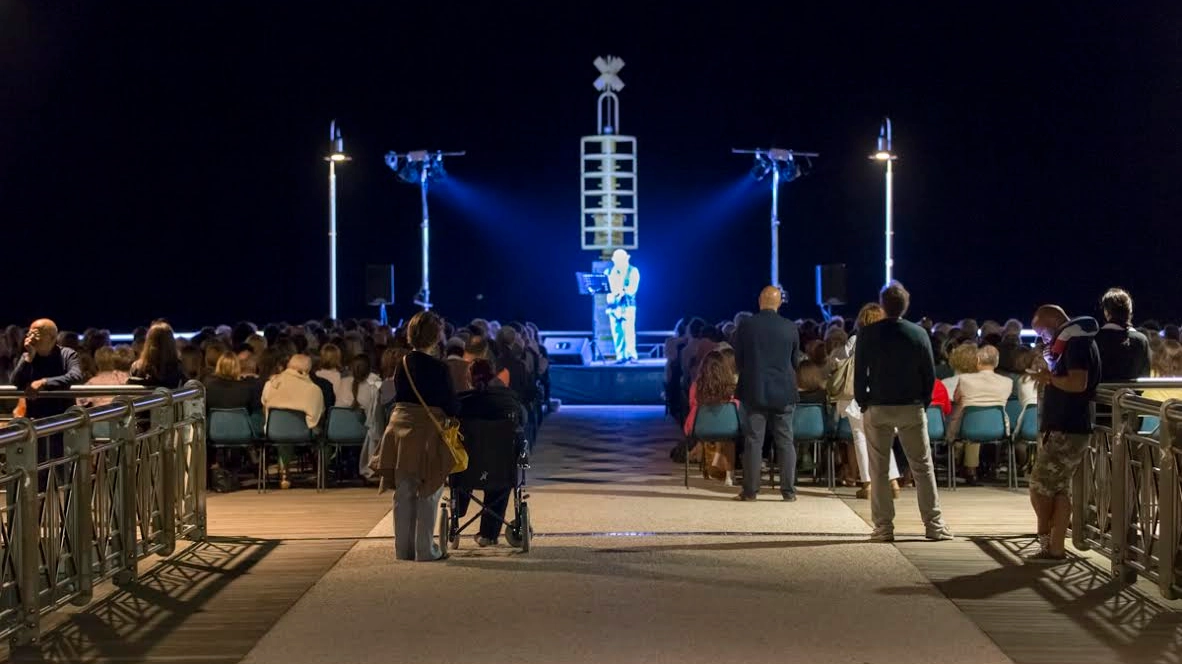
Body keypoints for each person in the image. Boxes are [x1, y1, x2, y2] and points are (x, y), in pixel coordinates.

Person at [854, 281, 953, 542]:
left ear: (883, 305)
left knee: (879, 468)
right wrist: (923, 400)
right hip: (911, 406)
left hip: (877, 405)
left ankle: (884, 527)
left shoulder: (867, 334)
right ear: (905, 306)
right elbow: (929, 374)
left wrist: (863, 401)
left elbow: (859, 372)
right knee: (922, 467)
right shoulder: (918, 334)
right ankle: (934, 524)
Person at [374, 311, 457, 562]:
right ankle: (425, 549)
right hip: (427, 430)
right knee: (430, 488)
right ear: (436, 336)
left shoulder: (402, 363)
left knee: (404, 489)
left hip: (400, 428)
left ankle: (404, 549)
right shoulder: (440, 368)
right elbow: (450, 404)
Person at [1028, 304, 1101, 563]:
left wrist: (1049, 378)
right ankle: (1054, 548)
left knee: (1039, 486)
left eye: (1042, 333)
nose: (1042, 339)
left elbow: (1078, 382)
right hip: (1067, 426)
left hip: (1069, 427)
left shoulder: (1077, 343)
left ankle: (1048, 541)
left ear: (1051, 324)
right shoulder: (1072, 340)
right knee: (1058, 490)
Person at [732, 286, 800, 502]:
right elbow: (795, 362)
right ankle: (788, 492)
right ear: (779, 303)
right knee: (786, 441)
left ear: (760, 301)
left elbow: (739, 360)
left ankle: (750, 491)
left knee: (753, 441)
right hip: (784, 391)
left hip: (754, 390)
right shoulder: (790, 327)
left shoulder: (746, 326)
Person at [833, 304, 901, 499]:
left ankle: (868, 484)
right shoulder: (892, 341)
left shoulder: (856, 339)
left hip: (859, 395)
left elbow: (842, 361)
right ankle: (893, 482)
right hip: (884, 395)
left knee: (860, 438)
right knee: (882, 439)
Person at [455, 359, 525, 547]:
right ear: (494, 375)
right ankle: (489, 533)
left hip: (468, 468)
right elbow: (522, 424)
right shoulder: (509, 400)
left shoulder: (463, 402)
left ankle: (458, 511)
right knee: (499, 478)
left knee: (462, 466)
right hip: (501, 467)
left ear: (469, 378)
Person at [10, 318, 84, 460]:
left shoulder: (67, 354)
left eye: (36, 334)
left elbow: (75, 375)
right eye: (29, 334)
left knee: (62, 468)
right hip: (35, 422)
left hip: (62, 421)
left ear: (52, 337)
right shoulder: (27, 357)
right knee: (38, 469)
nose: (30, 338)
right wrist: (28, 358)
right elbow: (16, 382)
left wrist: (45, 382)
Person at [949, 345, 1015, 485]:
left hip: (968, 429)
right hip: (999, 430)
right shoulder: (1008, 382)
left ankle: (955, 463)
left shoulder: (965, 379)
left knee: (956, 419)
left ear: (977, 360)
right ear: (996, 362)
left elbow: (956, 399)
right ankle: (972, 469)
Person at [683, 349, 739, 485]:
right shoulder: (731, 386)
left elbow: (692, 405)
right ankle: (729, 476)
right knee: (730, 439)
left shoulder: (696, 386)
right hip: (728, 427)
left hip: (700, 428)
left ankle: (708, 461)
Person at [1095, 288, 1150, 383]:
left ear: (1106, 312)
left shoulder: (1095, 338)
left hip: (1100, 396)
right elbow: (1145, 375)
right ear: (1130, 311)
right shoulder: (1141, 340)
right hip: (1131, 396)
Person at [604, 248, 639, 364]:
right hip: (613, 306)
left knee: (628, 332)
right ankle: (620, 356)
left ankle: (631, 355)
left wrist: (620, 292)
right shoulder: (608, 272)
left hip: (627, 306)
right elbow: (606, 289)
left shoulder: (633, 271)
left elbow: (632, 290)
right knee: (617, 332)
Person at [129, 322, 186, 389]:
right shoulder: (180, 368)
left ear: (148, 342)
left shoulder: (137, 367)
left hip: (145, 399)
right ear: (171, 343)